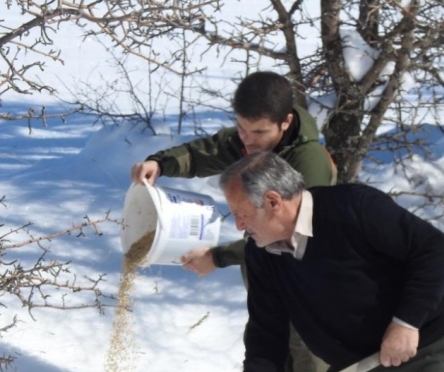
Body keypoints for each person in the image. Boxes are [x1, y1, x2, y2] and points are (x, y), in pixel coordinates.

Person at [130, 71, 335, 372]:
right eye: (241, 128)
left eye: (258, 132)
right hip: (268, 286)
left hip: (309, 289)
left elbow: (293, 235)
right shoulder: (253, 140)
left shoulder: (308, 161)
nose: (247, 140)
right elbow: (204, 153)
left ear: (286, 123)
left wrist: (218, 256)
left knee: (306, 360)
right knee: (266, 353)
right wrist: (160, 163)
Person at [218, 151, 444, 372]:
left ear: (273, 202)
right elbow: (266, 334)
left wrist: (406, 323)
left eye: (243, 214)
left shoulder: (353, 207)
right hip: (356, 365)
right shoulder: (260, 253)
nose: (239, 225)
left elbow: (433, 248)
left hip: (426, 348)